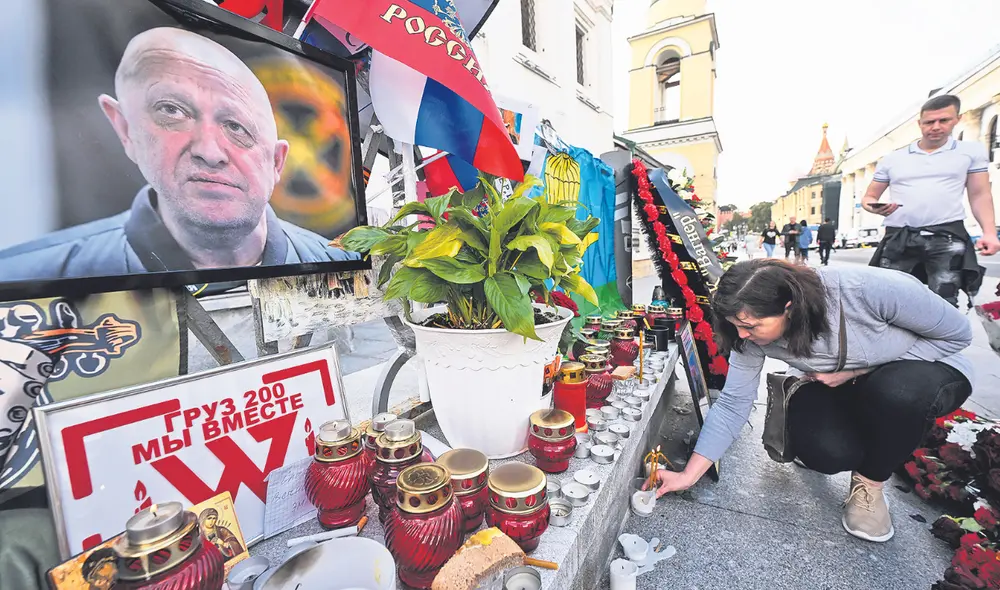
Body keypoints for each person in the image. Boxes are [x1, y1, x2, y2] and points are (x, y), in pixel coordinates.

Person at [647, 259, 973, 543]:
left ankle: (870, 486)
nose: (743, 335)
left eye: (751, 326)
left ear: (788, 307)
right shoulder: (744, 333)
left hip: (924, 368)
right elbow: (734, 403)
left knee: (897, 392)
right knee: (825, 453)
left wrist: (859, 370)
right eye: (736, 326)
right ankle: (860, 428)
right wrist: (688, 475)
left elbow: (958, 334)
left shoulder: (866, 290)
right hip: (837, 384)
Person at [0, 27, 358, 281]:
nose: (209, 151)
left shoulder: (340, 262)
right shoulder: (28, 278)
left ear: (278, 162)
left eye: (237, 127)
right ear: (125, 129)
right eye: (171, 111)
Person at [862, 94, 998, 307]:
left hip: (946, 236)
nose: (936, 127)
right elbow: (869, 197)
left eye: (943, 120)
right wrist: (875, 207)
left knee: (944, 301)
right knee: (888, 299)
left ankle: (940, 339)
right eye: (929, 122)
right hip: (900, 237)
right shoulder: (893, 159)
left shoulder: (969, 152)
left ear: (957, 119)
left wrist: (989, 232)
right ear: (920, 124)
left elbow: (980, 194)